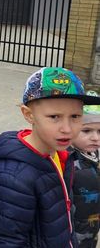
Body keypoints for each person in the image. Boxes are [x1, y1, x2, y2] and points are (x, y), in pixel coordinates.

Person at [0, 67, 100, 247]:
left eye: (75, 116)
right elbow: (7, 241)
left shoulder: (63, 155)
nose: (67, 128)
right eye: (54, 117)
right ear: (29, 115)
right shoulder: (13, 177)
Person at [70, 91, 100, 248]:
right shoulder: (66, 161)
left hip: (92, 226)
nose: (95, 137)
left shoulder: (94, 154)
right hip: (73, 233)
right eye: (87, 131)